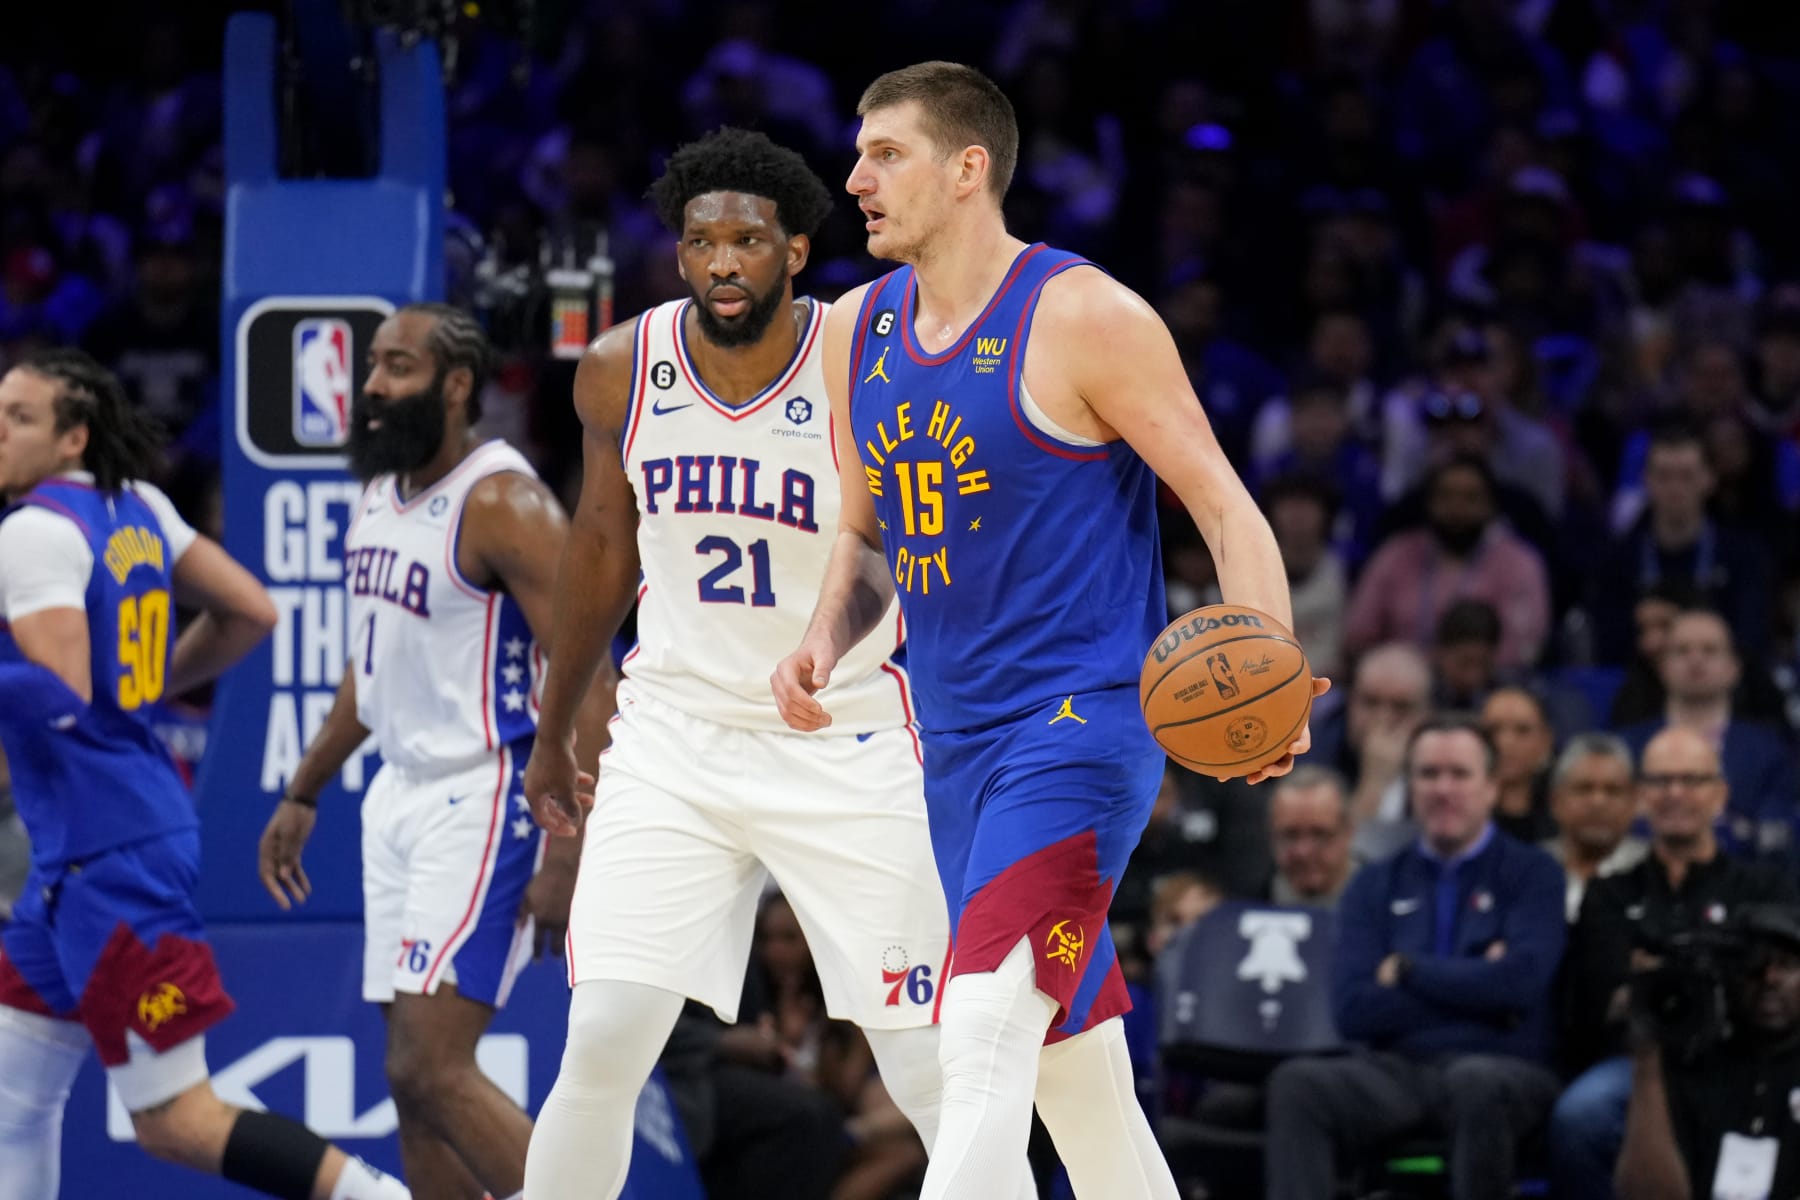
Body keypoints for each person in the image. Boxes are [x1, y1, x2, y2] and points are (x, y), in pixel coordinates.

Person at [770, 61, 1326, 1199]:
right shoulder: (853, 328)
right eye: (859, 154)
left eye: (887, 154)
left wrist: (1270, 674)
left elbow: (1225, 506)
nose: (856, 179)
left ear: (967, 170)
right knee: (1080, 1080)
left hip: (1081, 728)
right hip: (954, 744)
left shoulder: (1083, 315)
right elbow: (869, 536)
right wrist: (824, 638)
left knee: (980, 1027)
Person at [520, 128, 971, 1200]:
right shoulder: (621, 368)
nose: (723, 262)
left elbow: (900, 552)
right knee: (603, 1036)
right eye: (702, 242)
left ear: (796, 251)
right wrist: (555, 727)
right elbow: (600, 549)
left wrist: (833, 645)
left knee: (927, 1063)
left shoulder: (863, 361)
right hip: (675, 739)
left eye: (749, 242)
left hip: (844, 736)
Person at [0, 349, 408, 1199]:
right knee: (12, 1097)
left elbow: (60, 693)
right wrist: (144, 687)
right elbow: (251, 610)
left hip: (110, 857)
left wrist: (114, 689)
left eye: (19, 418)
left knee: (176, 1121)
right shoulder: (140, 505)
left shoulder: (32, 530)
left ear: (74, 438)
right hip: (88, 855)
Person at [256, 304, 607, 1200]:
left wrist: (570, 848)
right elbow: (370, 668)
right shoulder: (377, 495)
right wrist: (305, 788)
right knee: (410, 1087)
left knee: (432, 1066)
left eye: (398, 367)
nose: (373, 385)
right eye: (373, 365)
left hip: (484, 793)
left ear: (454, 387)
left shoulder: (505, 501)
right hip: (399, 797)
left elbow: (592, 677)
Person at [1263, 715, 1567, 1200]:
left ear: (1491, 787)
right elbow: (1353, 1009)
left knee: (1476, 1082)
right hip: (1398, 1073)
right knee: (1299, 1084)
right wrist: (1480, 986)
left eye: (1459, 774)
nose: (1443, 789)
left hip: (1505, 1066)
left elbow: (1520, 985)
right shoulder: (1372, 884)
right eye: (1428, 774)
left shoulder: (1535, 873)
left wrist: (1408, 970)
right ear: (1410, 788)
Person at [1551, 726, 1796, 1200]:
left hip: (1742, 1056)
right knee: (1580, 1115)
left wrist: (1657, 967)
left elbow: (1771, 983)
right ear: (1642, 795)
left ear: (1720, 794)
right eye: (1661, 781)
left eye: (1692, 780)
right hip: (1639, 1059)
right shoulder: (1610, 893)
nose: (1675, 793)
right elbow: (1602, 995)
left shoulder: (1765, 887)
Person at [1615, 903, 1800, 1200]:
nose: (1770, 979)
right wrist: (1647, 1061)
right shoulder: (1691, 1063)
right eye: (1754, 966)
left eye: (1787, 965)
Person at [1618, 608, 1798, 861]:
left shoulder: (1771, 751)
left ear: (1734, 667)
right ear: (1663, 667)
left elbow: (1777, 835)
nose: (1696, 660)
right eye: (1682, 650)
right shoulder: (1625, 746)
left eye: (1710, 650)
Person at [1541, 734, 1647, 922]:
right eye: (1584, 789)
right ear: (1555, 801)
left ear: (1634, 803)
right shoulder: (1528, 869)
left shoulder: (1656, 871)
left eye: (1613, 790)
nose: (1598, 802)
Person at [1266, 765, 1356, 907]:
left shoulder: (1382, 901)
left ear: (1348, 831)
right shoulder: (1243, 898)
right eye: (1290, 835)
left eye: (1320, 834)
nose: (1303, 851)